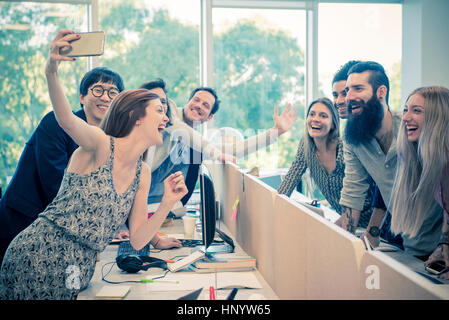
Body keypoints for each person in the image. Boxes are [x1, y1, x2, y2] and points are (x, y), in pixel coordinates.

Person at [0, 29, 188, 300]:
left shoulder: (141, 172)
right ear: (136, 116)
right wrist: (51, 69)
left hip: (80, 265)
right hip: (39, 254)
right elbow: (65, 119)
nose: (166, 119)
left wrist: (167, 203)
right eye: (160, 111)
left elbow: (137, 240)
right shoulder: (100, 144)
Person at [117, 80, 298, 247]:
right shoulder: (166, 117)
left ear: (209, 117)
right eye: (196, 100)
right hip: (129, 210)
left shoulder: (197, 144)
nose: (198, 106)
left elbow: (234, 150)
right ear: (187, 102)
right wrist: (123, 225)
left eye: (205, 105)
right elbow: (185, 132)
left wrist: (275, 132)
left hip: (154, 214)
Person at [0, 64, 124, 264]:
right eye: (98, 89)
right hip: (22, 223)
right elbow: (56, 185)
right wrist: (88, 233)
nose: (105, 97)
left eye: (113, 92)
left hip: (58, 227)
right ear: (82, 97)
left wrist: (112, 226)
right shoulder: (56, 123)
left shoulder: (109, 138)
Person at [337, 61, 442, 258]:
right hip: (411, 246)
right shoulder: (352, 140)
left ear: (381, 91)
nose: (349, 97)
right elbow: (354, 192)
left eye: (358, 89)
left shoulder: (412, 129)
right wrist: (346, 246)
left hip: (440, 246)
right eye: (347, 90)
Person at [277, 98, 373, 224]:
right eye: (312, 114)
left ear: (333, 123)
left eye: (323, 116)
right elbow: (287, 185)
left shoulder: (345, 148)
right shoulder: (306, 146)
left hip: (372, 224)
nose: (315, 119)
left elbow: (360, 199)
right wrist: (274, 205)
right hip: (347, 224)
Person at [390, 86, 449, 278]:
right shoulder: (433, 162)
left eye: (417, 111)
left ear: (438, 118)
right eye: (406, 109)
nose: (405, 118)